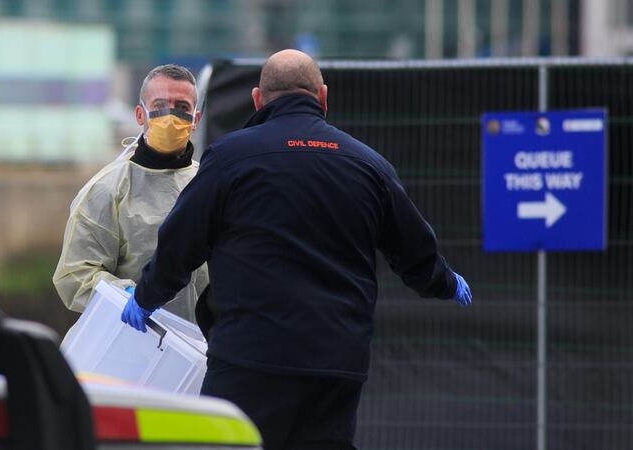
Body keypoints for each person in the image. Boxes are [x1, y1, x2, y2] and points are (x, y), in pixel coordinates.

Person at [121, 50, 472, 450]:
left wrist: (147, 296)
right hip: (336, 363)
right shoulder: (368, 165)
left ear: (257, 99)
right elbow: (414, 252)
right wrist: (444, 282)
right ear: (322, 97)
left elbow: (180, 244)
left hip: (250, 359)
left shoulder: (230, 158)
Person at [53, 64, 208, 322]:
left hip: (201, 348)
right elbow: (76, 274)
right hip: (129, 338)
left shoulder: (208, 183)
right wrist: (124, 295)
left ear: (196, 119)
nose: (170, 116)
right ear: (140, 114)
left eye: (182, 107)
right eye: (159, 105)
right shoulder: (108, 188)